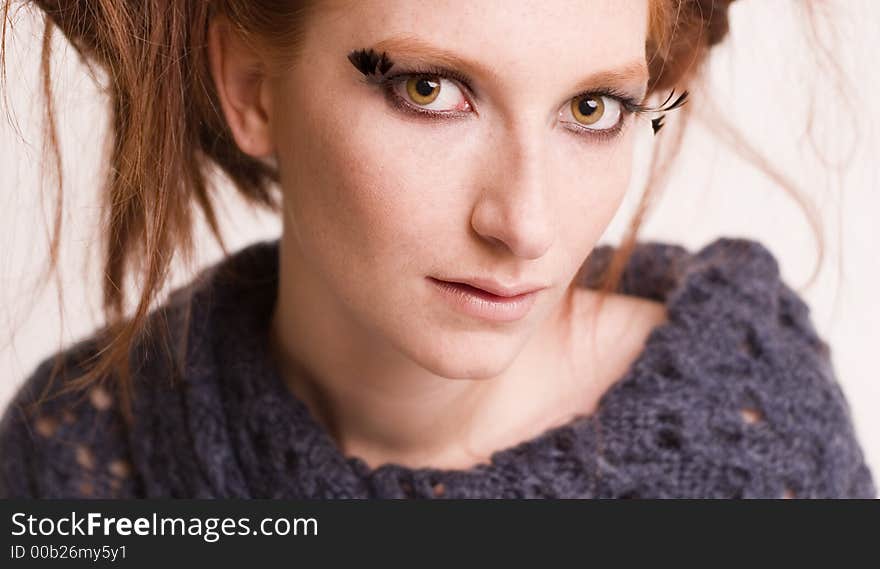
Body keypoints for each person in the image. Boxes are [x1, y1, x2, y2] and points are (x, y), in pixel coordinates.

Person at [0, 0, 874, 499]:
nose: (525, 225)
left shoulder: (757, 449)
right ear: (253, 89)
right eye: (430, 89)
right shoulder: (74, 456)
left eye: (593, 108)